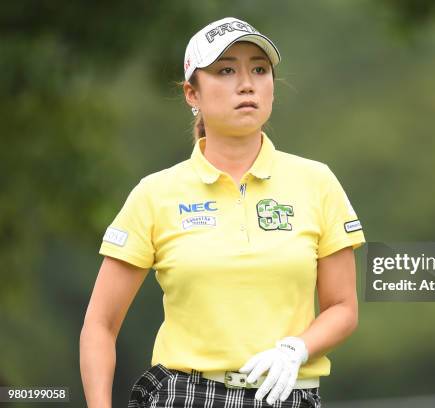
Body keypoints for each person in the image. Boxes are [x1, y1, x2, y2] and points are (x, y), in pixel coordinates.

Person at [79, 16, 365, 408]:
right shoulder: (155, 194)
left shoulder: (317, 182)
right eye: (225, 70)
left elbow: (342, 307)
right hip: (185, 395)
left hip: (285, 394)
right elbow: (100, 325)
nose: (246, 83)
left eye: (259, 70)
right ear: (191, 94)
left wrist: (296, 349)